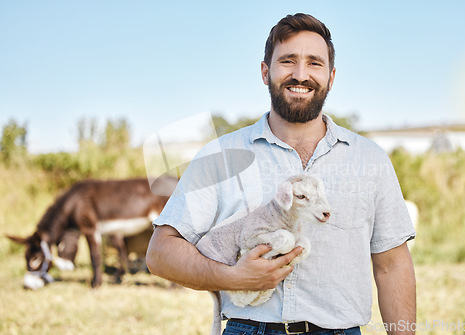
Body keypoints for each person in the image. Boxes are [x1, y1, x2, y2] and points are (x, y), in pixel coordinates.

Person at [146, 13, 416, 335]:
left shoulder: (370, 159)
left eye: (314, 63)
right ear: (265, 71)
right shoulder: (219, 157)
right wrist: (233, 277)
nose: (300, 75)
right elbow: (160, 253)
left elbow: (391, 266)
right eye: (287, 61)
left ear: (331, 76)